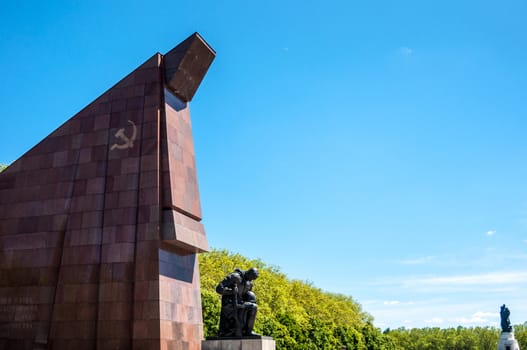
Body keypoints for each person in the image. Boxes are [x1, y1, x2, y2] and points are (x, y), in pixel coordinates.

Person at [216, 267, 259, 337]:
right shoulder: (235, 276)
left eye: (253, 279)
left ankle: (248, 331)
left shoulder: (249, 283)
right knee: (251, 307)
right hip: (230, 305)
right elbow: (218, 288)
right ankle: (234, 330)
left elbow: (247, 294)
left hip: (240, 304)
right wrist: (230, 291)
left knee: (254, 307)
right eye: (252, 278)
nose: (251, 280)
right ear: (248, 273)